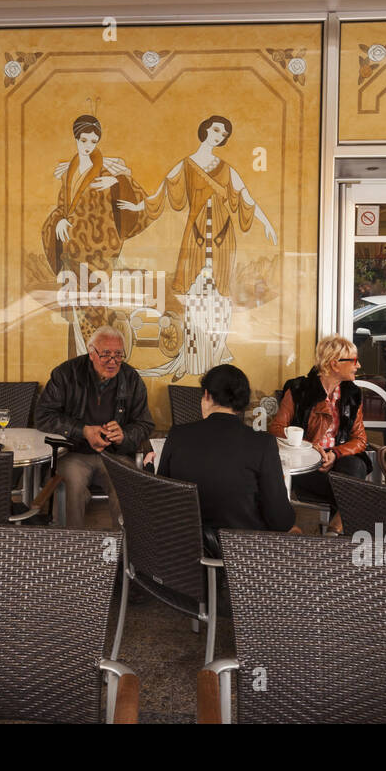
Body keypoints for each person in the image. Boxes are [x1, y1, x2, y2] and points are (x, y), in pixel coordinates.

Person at [119, 115, 277, 379]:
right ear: (205, 130)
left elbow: (245, 196)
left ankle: (214, 355)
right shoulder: (187, 165)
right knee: (194, 296)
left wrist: (266, 222)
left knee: (218, 297)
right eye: (216, 130)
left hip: (224, 237)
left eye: (223, 134)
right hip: (195, 234)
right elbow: (162, 192)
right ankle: (194, 360)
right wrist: (137, 206)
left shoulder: (226, 169)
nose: (219, 135)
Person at [153, 364, 296, 556]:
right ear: (242, 402)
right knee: (295, 530)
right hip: (243, 557)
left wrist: (149, 465)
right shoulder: (263, 444)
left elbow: (161, 498)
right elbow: (281, 521)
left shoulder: (178, 435)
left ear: (206, 395)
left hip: (185, 553)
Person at [40, 114, 150, 355]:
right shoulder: (68, 174)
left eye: (93, 141)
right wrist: (58, 220)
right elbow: (62, 208)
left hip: (99, 252)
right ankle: (80, 359)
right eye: (84, 140)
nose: (89, 146)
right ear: (76, 139)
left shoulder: (109, 170)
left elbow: (138, 201)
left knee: (95, 306)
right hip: (72, 251)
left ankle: (96, 360)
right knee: (77, 307)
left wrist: (117, 182)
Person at [35, 325, 154, 528]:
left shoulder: (131, 378)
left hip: (115, 455)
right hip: (74, 453)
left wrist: (124, 435)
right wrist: (83, 430)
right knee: (70, 486)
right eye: (105, 354)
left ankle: (125, 545)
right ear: (91, 353)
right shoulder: (66, 374)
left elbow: (144, 423)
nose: (112, 361)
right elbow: (43, 416)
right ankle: (72, 544)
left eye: (118, 355)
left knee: (127, 486)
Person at [270, 335, 372, 509]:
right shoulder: (298, 389)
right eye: (354, 361)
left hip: (341, 460)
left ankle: (339, 520)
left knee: (354, 468)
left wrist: (335, 454)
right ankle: (343, 520)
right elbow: (276, 428)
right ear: (334, 364)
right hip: (306, 460)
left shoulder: (353, 395)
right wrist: (310, 447)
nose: (359, 365)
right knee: (352, 490)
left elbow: (360, 439)